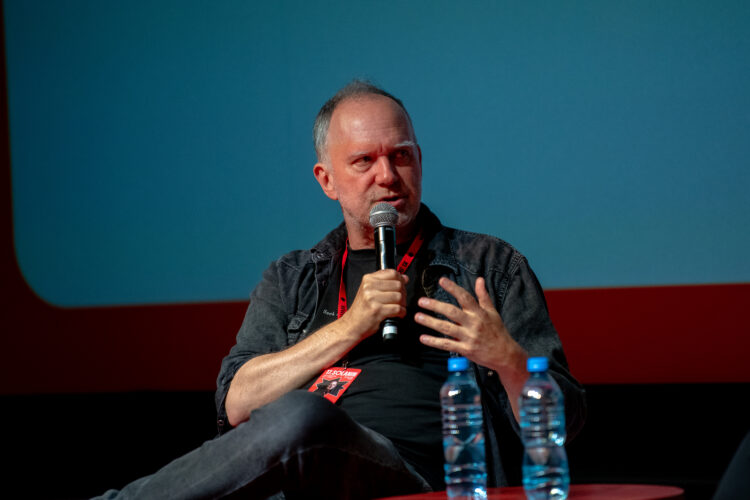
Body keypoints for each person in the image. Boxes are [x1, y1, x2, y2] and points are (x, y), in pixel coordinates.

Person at [96, 80, 586, 499]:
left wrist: (509, 360)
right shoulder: (293, 278)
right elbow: (238, 402)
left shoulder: (489, 266)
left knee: (302, 416)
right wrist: (352, 326)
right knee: (299, 417)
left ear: (419, 161)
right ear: (326, 180)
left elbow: (566, 425)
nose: (387, 176)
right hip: (308, 477)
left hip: (431, 482)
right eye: (363, 161)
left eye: (401, 156)